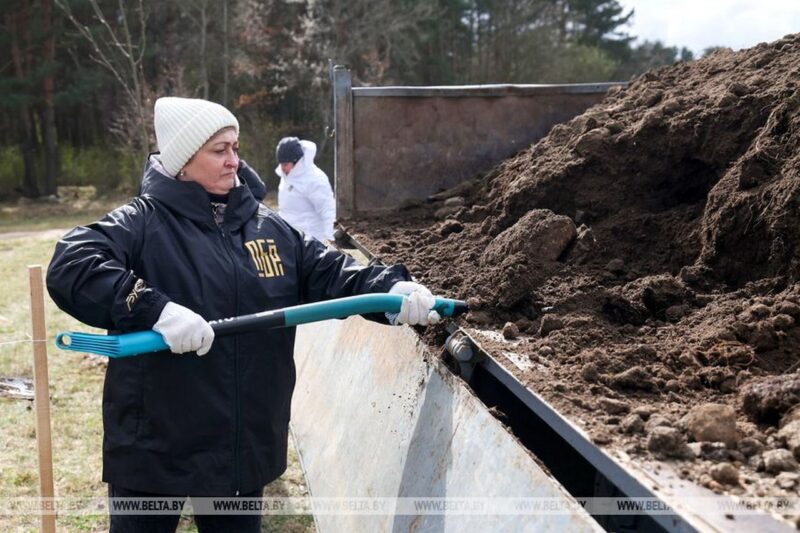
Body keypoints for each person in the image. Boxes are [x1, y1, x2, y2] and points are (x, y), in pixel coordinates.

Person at [46, 96, 440, 532]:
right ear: (182, 160)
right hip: (155, 449)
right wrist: (154, 308)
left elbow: (331, 270)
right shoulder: (143, 222)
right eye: (219, 150)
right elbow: (72, 263)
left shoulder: (266, 228)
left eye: (235, 147)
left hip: (239, 450)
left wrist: (390, 290)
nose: (234, 161)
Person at [275, 136, 336, 241]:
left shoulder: (315, 179)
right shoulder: (287, 176)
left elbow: (327, 208)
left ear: (296, 161)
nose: (282, 168)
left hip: (310, 239)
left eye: (285, 164)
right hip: (289, 237)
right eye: (281, 164)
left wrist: (330, 236)